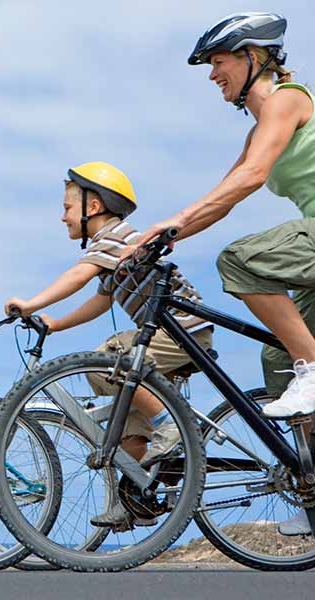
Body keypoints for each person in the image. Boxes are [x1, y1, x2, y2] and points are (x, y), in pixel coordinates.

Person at [134, 12, 315, 535]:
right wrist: (164, 235)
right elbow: (228, 193)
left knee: (239, 259)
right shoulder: (261, 128)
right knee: (278, 354)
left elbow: (255, 176)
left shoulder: (288, 99)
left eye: (219, 61)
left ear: (254, 56)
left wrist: (177, 223)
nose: (213, 74)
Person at [5, 162, 213, 529]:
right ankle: (132, 500)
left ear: (94, 207)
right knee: (130, 428)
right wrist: (56, 324)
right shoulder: (112, 250)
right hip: (169, 335)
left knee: (109, 359)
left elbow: (78, 275)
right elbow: (101, 300)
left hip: (182, 333)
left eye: (67, 208)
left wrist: (33, 303)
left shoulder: (117, 238)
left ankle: (170, 426)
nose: (62, 217)